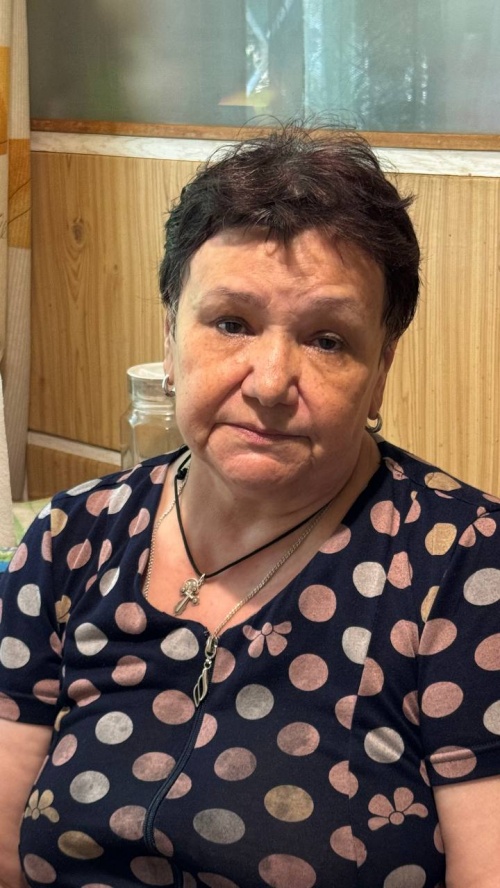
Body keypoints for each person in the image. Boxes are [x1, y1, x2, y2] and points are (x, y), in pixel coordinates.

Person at [1, 124, 500, 888]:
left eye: (327, 340)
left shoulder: (465, 567)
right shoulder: (72, 535)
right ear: (170, 339)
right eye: (231, 323)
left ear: (381, 369)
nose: (269, 383)